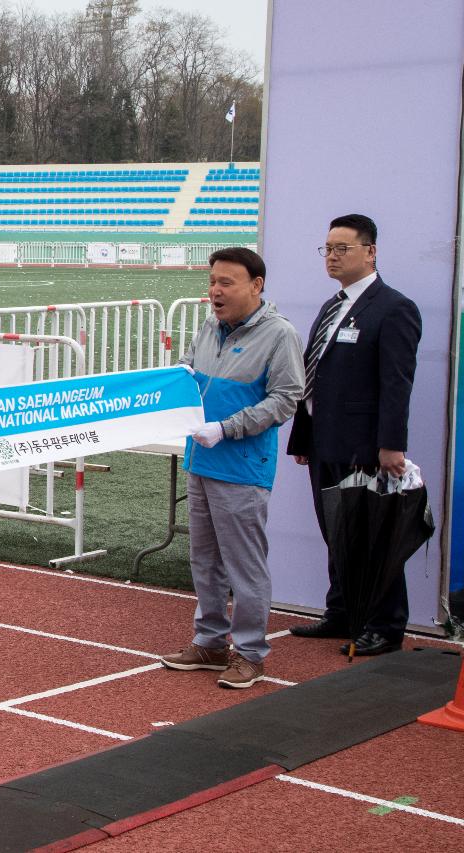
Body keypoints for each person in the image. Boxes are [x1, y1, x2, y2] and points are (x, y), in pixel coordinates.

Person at [160, 248, 304, 688]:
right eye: (212, 282)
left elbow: (286, 399)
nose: (215, 291)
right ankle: (210, 642)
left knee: (244, 565)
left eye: (226, 283)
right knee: (204, 561)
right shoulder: (210, 327)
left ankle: (251, 653)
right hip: (201, 462)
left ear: (256, 286)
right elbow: (189, 374)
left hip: (241, 466)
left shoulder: (279, 335)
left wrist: (228, 428)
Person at [287, 214, 422, 656]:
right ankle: (342, 611)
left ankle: (385, 625)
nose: (331, 256)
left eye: (341, 248)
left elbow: (396, 382)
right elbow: (316, 376)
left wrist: (390, 444)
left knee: (371, 535)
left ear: (370, 251)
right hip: (325, 440)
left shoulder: (393, 307)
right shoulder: (332, 306)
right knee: (336, 530)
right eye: (326, 248)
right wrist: (304, 437)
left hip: (365, 444)